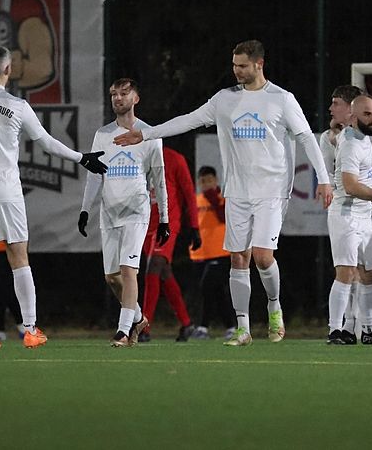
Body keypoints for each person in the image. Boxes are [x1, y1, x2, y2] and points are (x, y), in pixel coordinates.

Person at [114, 39, 333, 346]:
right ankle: (243, 328)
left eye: (242, 65)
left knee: (262, 256)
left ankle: (274, 306)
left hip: (272, 190)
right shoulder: (224, 100)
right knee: (238, 258)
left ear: (259, 64)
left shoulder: (281, 100)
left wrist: (323, 179)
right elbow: (188, 120)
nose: (236, 71)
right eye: (233, 65)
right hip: (238, 191)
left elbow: (306, 138)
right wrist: (146, 133)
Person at [0, 45, 107, 349]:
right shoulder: (18, 106)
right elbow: (48, 144)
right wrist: (82, 157)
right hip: (6, 192)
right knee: (18, 257)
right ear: (9, 70)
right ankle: (29, 329)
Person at [78, 78, 169, 347]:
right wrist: (85, 210)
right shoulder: (102, 135)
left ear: (136, 98)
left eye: (124, 93)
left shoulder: (149, 135)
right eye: (114, 94)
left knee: (129, 271)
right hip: (109, 212)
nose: (118, 98)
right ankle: (139, 318)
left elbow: (159, 178)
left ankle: (123, 331)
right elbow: (94, 175)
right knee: (112, 277)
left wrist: (164, 217)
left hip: (136, 212)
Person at [319, 85, 372, 345]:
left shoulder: (364, 138)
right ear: (354, 116)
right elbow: (351, 185)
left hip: (366, 214)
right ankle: (337, 330)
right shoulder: (350, 142)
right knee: (346, 272)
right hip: (347, 213)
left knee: (369, 273)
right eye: (368, 114)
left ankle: (368, 328)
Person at [138, 146, 202, 342]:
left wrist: (194, 226)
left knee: (153, 267)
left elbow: (189, 193)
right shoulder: (139, 157)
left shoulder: (174, 158)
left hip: (167, 223)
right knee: (164, 273)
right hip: (145, 223)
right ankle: (187, 324)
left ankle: (144, 327)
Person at [188, 166, 236, 340]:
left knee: (207, 287)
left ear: (216, 181)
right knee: (215, 292)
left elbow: (226, 218)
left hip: (220, 253)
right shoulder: (196, 200)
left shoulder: (223, 199)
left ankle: (203, 327)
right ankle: (230, 327)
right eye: (202, 181)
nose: (206, 184)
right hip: (199, 254)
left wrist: (214, 200)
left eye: (209, 180)